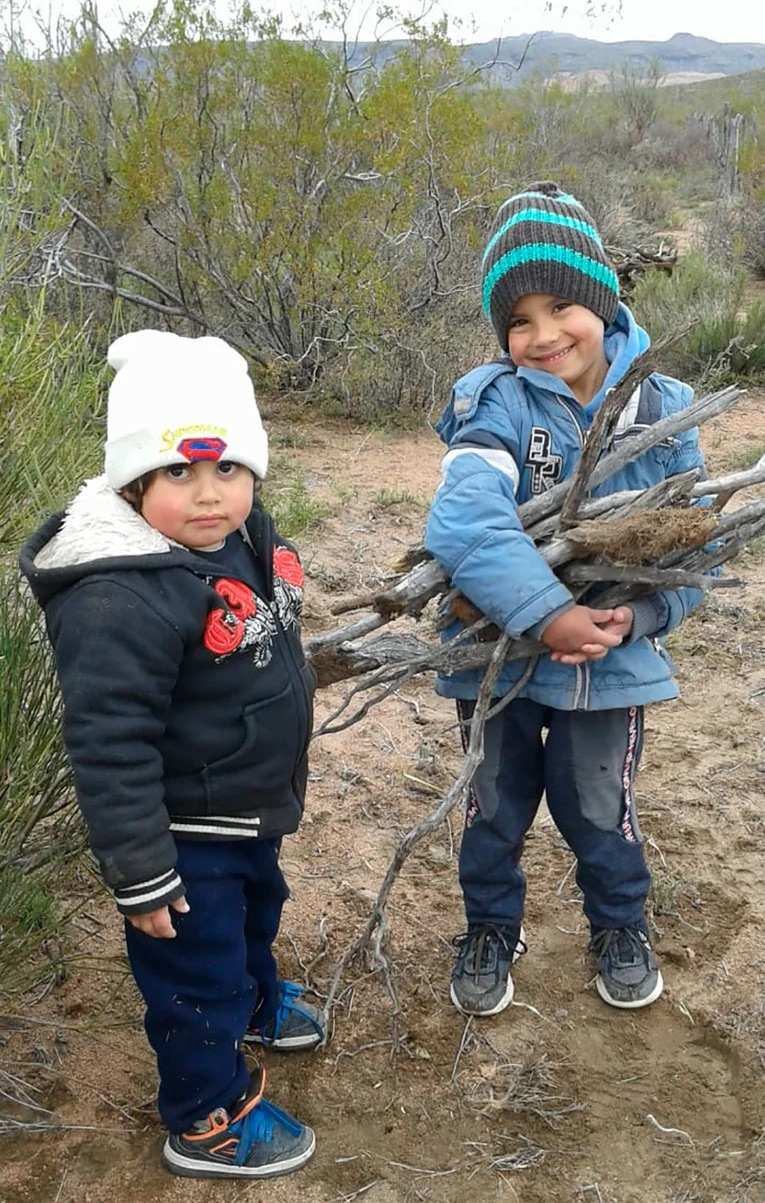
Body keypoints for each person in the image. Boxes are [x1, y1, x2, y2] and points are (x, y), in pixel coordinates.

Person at [20, 330, 321, 1179]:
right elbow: (109, 745)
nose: (207, 495)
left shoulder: (240, 536)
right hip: (182, 833)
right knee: (196, 976)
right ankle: (204, 1114)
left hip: (243, 808)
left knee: (256, 919)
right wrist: (143, 874)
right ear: (133, 481)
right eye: (178, 473)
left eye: (226, 468)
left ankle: (256, 1004)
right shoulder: (118, 596)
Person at [425, 182, 709, 1018]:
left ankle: (618, 924)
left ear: (601, 298)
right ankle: (488, 926)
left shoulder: (663, 406)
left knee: (600, 807)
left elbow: (695, 547)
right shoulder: (495, 402)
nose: (542, 335)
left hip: (611, 661)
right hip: (497, 656)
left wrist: (644, 616)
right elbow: (465, 516)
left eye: (560, 307)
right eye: (518, 319)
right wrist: (544, 613)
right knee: (493, 804)